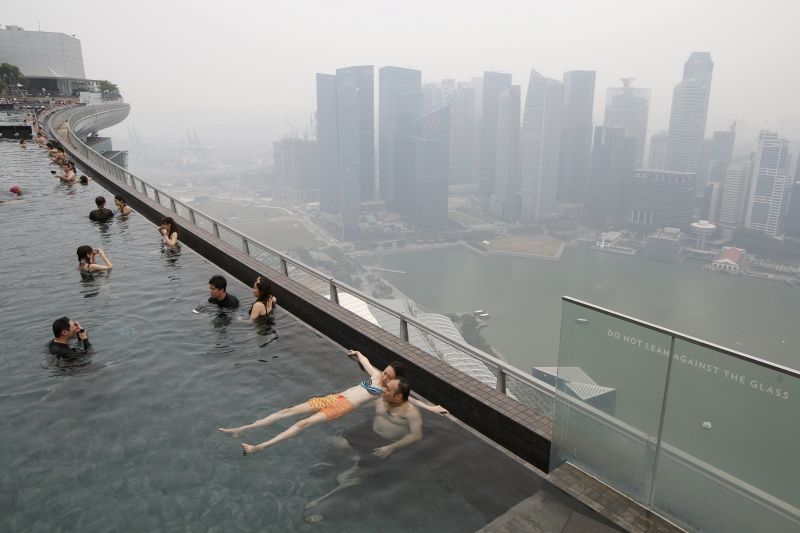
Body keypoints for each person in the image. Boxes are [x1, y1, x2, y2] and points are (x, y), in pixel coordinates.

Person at [219, 350, 412, 456]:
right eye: (385, 371)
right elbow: (366, 360)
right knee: (287, 410)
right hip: (334, 397)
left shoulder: (386, 392)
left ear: (395, 380)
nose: (385, 375)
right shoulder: (376, 376)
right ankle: (241, 429)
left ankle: (259, 447)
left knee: (303, 423)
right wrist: (357, 352)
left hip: (342, 407)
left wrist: (431, 407)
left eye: (389, 376)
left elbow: (407, 400)